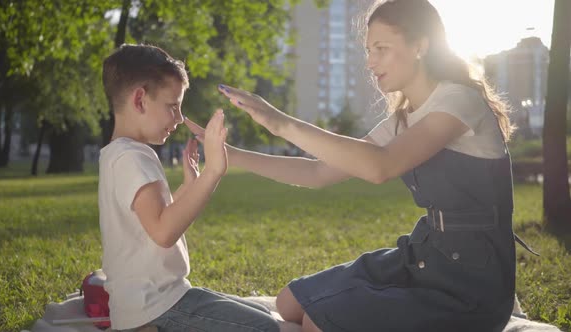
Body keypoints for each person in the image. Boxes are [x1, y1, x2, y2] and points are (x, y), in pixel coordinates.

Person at [186, 0, 528, 330]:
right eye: (368, 50)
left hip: (470, 283)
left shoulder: (458, 101)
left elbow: (380, 166)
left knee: (318, 322)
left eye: (380, 48)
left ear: (420, 46)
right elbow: (317, 172)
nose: (370, 61)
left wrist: (280, 123)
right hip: (424, 255)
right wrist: (230, 155)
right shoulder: (402, 121)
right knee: (289, 302)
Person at [98, 44, 279, 332]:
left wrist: (188, 186)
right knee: (267, 327)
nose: (180, 118)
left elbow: (154, 219)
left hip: (149, 303)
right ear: (141, 100)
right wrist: (213, 171)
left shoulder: (117, 153)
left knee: (259, 311)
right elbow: (163, 232)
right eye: (173, 106)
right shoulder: (133, 157)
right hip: (157, 307)